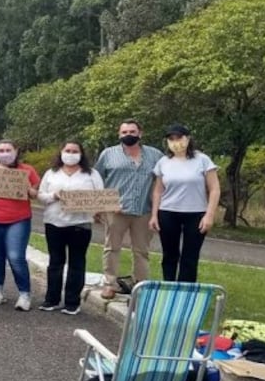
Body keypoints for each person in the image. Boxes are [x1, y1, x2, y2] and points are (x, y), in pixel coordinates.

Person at [93, 118, 163, 300]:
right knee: (111, 247)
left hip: (144, 210)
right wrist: (98, 206)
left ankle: (140, 286)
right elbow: (97, 179)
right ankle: (110, 284)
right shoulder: (108, 154)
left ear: (140, 133)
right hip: (116, 210)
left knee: (141, 251)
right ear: (119, 134)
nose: (128, 135)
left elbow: (162, 181)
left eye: (132, 132)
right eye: (124, 132)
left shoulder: (155, 155)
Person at [36, 141, 105, 315]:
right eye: (68, 150)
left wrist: (97, 210)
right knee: (55, 263)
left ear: (81, 154)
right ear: (61, 152)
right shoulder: (51, 173)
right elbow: (41, 196)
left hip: (80, 224)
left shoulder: (91, 174)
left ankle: (72, 302)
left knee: (77, 263)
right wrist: (54, 195)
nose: (71, 153)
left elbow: (101, 196)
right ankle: (51, 300)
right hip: (54, 222)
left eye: (75, 151)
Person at [149, 124, 220, 282]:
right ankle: (169, 286)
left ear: (187, 138)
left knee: (190, 256)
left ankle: (185, 290)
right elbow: (158, 191)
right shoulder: (163, 162)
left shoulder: (202, 160)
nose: (176, 142)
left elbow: (214, 189)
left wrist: (209, 215)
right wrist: (154, 215)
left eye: (179, 138)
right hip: (167, 212)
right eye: (171, 139)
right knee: (169, 255)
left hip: (195, 214)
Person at [0, 139, 39, 311]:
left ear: (16, 151)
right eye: (1, 150)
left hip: (18, 219)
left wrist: (27, 186)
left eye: (8, 150)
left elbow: (35, 195)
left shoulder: (27, 170)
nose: (5, 153)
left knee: (15, 257)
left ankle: (24, 294)